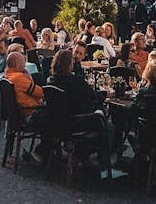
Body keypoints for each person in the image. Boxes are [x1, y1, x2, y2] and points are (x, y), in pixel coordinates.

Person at [47, 48, 110, 178]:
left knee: (101, 117)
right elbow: (92, 95)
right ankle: (105, 165)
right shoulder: (75, 82)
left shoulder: (51, 81)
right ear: (69, 65)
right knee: (107, 125)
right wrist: (105, 95)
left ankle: (82, 155)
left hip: (58, 124)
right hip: (76, 123)